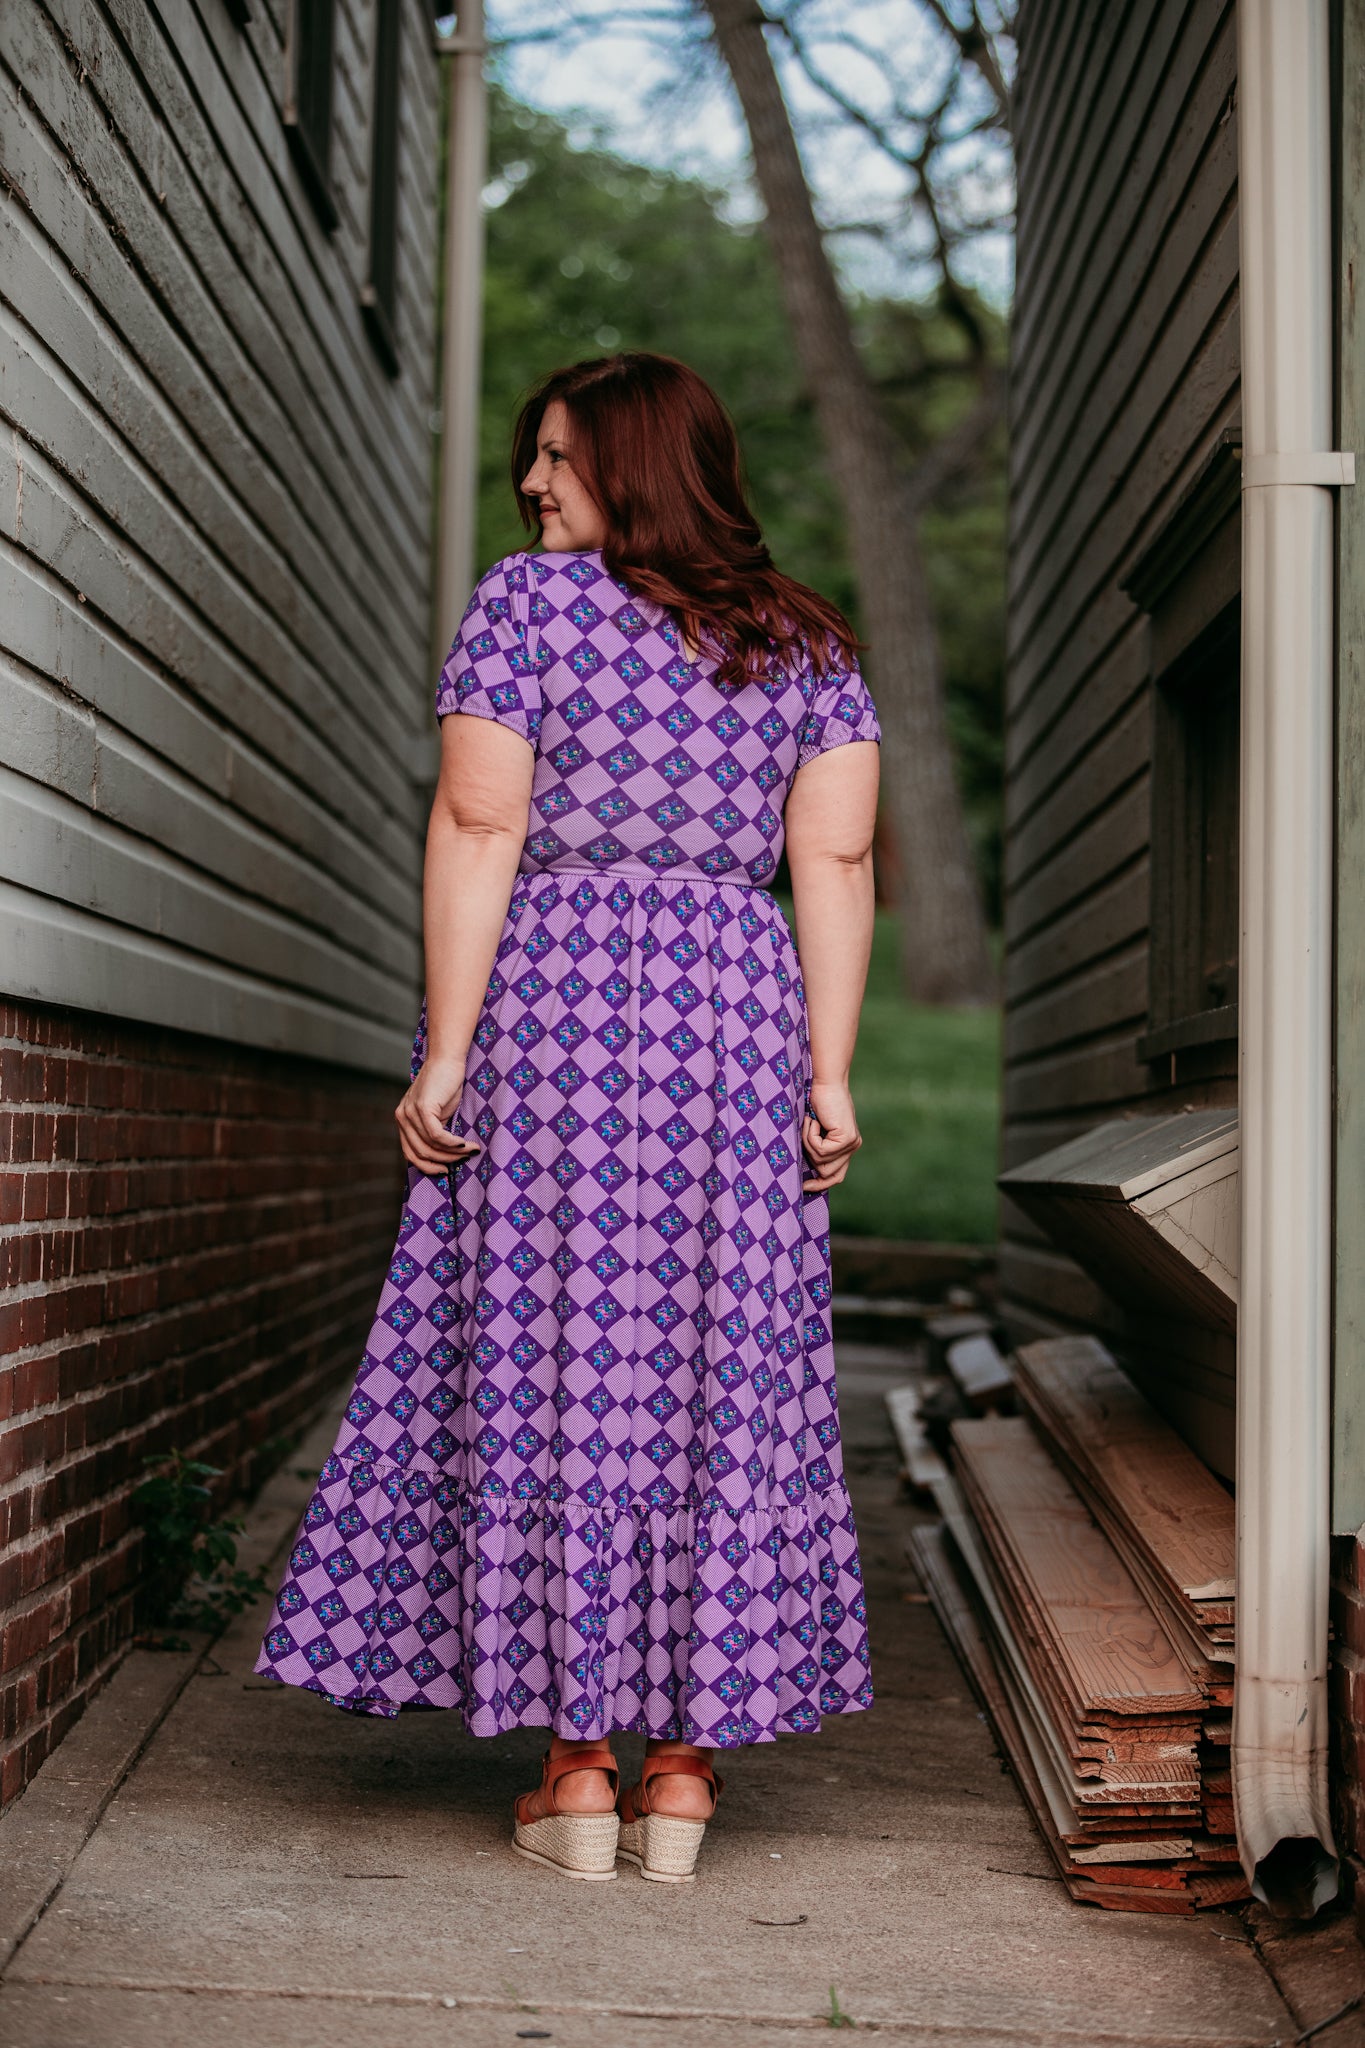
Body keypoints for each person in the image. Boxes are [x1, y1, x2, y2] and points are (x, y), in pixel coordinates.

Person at [255, 351, 880, 1884]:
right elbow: (839, 867)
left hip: (562, 1010)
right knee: (722, 1367)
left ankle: (577, 1771)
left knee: (557, 1362)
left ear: (640, 465)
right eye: (532, 457)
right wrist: (827, 1074)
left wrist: (446, 1054)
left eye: (557, 457)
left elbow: (482, 818)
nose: (531, 484)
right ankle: (684, 1777)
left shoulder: (527, 610)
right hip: (736, 1017)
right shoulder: (805, 643)